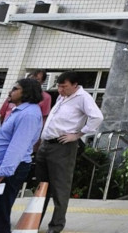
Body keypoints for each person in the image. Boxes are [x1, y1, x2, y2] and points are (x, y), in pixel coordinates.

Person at [0, 79, 43, 233]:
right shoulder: (19, 111)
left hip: (7, 172)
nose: (11, 92)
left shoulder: (28, 114)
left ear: (26, 92)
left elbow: (17, 148)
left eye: (15, 89)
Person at [37, 71, 104, 233]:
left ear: (75, 85)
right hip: (46, 145)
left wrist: (78, 134)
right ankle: (33, 220)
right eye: (59, 86)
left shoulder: (83, 97)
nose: (60, 89)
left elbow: (97, 117)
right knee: (41, 186)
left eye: (64, 86)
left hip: (62, 147)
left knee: (60, 188)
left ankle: (56, 225)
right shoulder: (62, 97)